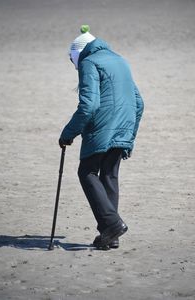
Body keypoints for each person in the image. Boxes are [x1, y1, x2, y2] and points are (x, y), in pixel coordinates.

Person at [59, 25, 144, 250]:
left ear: (78, 53)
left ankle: (112, 224)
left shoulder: (89, 62)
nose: (72, 63)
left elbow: (89, 105)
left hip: (102, 128)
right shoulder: (119, 60)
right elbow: (139, 103)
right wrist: (129, 136)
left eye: (71, 59)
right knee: (109, 176)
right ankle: (110, 234)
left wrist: (68, 133)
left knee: (86, 172)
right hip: (123, 127)